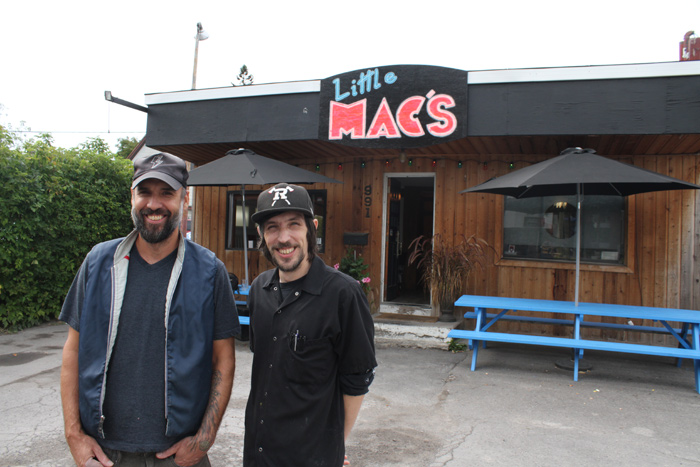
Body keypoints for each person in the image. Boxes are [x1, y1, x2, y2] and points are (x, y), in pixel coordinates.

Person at [59, 152, 240, 467]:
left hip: (178, 456)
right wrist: (73, 434)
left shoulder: (209, 271)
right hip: (104, 455)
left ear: (184, 200)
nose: (154, 204)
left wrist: (204, 439)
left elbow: (222, 359)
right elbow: (72, 352)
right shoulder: (98, 262)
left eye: (166, 193)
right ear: (132, 196)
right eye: (145, 192)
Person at [243, 183, 377, 467]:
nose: (283, 237)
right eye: (272, 227)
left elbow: (357, 378)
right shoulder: (259, 289)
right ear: (261, 234)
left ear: (312, 228)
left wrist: (335, 446)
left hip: (312, 457)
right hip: (257, 452)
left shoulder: (343, 294)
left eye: (294, 224)